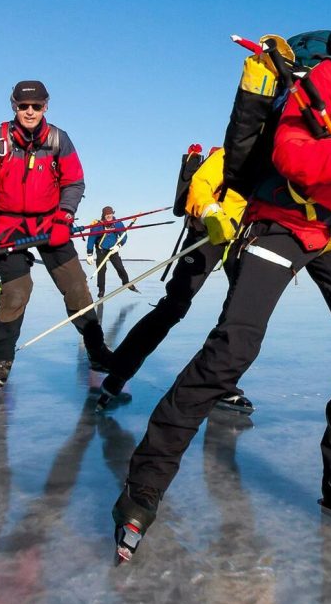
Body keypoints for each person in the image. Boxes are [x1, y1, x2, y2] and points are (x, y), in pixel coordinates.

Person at [113, 0, 331, 558]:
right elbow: (293, 158)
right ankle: (142, 488)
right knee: (232, 348)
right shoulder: (329, 76)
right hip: (281, 222)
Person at [0, 80, 113, 390]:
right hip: (8, 227)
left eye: (36, 106)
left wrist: (64, 217)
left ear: (46, 106)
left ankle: (97, 351)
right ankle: (2, 357)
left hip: (50, 225)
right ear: (14, 106)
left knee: (76, 289)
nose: (30, 111)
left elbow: (74, 183)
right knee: (15, 292)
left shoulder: (59, 139)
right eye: (23, 106)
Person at [98, 148, 250, 412]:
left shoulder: (283, 155)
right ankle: (118, 375)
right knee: (174, 306)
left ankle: (223, 386)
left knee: (241, 315)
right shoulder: (233, 150)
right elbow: (200, 187)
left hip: (247, 238)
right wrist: (212, 215)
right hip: (209, 233)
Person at [85, 206, 139, 297]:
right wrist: (89, 254)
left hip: (113, 250)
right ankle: (101, 290)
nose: (109, 216)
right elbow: (91, 239)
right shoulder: (97, 226)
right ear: (103, 215)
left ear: (113, 214)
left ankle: (126, 283)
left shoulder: (118, 224)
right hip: (101, 250)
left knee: (120, 267)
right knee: (101, 270)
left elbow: (124, 236)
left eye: (110, 214)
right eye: (107, 215)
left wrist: (118, 246)